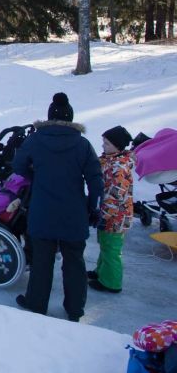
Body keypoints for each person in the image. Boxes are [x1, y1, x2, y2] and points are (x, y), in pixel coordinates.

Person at [13, 92, 103, 323]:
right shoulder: (82, 144)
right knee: (74, 261)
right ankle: (75, 309)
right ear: (70, 118)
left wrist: (35, 174)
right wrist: (94, 207)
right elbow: (95, 178)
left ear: (49, 116)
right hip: (74, 212)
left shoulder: (35, 140)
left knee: (43, 259)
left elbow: (19, 165)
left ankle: (36, 303)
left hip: (43, 210)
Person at [89, 125, 135, 294]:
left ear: (118, 146)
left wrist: (105, 215)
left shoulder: (118, 168)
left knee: (111, 250)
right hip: (112, 215)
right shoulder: (111, 159)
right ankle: (101, 272)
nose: (103, 146)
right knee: (105, 245)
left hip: (116, 217)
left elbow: (115, 197)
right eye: (103, 142)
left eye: (107, 144)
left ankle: (111, 283)